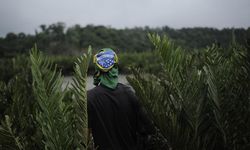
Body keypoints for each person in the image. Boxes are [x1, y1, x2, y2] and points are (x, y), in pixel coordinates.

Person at [87, 48, 155, 150]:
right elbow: (148, 129)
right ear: (115, 69)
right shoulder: (130, 93)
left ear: (98, 70)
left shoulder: (89, 98)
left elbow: (84, 138)